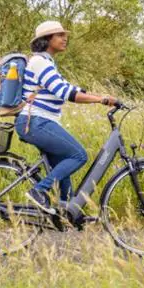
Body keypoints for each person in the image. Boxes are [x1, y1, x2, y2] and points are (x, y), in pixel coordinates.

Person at [14, 20, 118, 216]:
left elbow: (72, 88)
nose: (65, 38)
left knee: (64, 161)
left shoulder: (47, 63)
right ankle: (39, 191)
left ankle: (65, 211)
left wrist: (102, 97)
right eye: (59, 35)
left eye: (64, 34)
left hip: (42, 122)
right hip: (36, 122)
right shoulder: (39, 62)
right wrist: (101, 100)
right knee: (78, 155)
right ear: (46, 39)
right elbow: (65, 93)